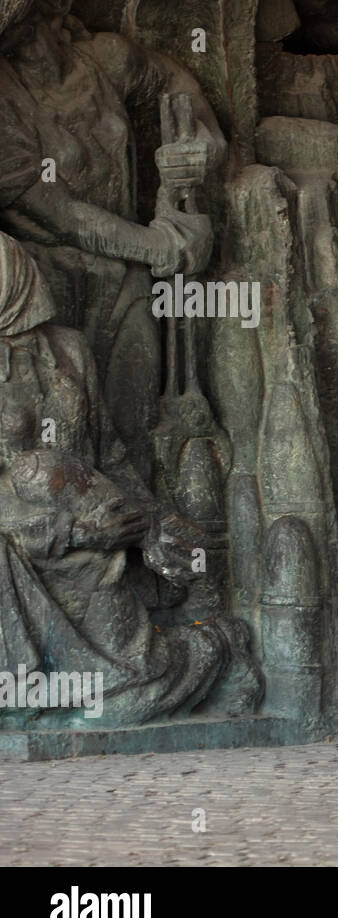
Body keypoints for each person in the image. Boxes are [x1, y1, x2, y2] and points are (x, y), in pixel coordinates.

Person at [0, 229, 255, 728]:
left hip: (96, 557)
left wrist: (150, 521)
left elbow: (108, 453)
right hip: (28, 552)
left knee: (119, 702)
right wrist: (68, 533)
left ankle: (219, 645)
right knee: (103, 707)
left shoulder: (69, 352)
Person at [0, 0, 226, 484]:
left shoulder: (104, 58)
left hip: (125, 278)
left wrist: (198, 145)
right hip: (50, 291)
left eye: (22, 26)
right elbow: (57, 212)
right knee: (67, 442)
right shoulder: (3, 98)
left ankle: (149, 538)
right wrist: (159, 245)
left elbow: (177, 84)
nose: (20, 45)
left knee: (135, 420)